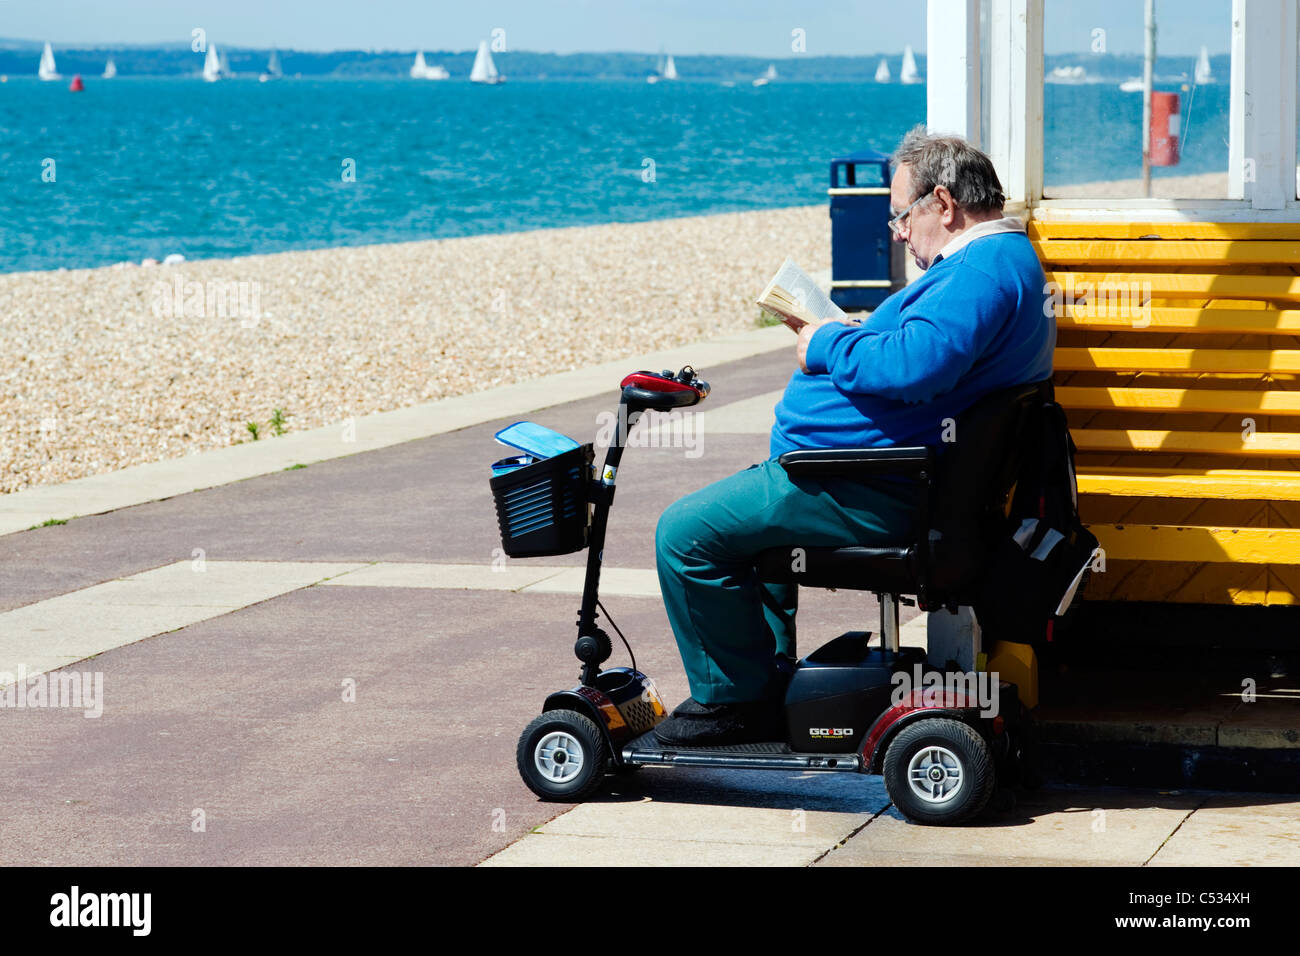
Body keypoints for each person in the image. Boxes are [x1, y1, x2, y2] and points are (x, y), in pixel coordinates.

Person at [652, 125, 1056, 746]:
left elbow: (916, 365)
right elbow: (924, 348)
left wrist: (824, 339)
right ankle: (765, 679)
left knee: (685, 534)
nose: (897, 232)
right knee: (744, 534)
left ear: (943, 206)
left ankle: (731, 700)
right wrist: (865, 328)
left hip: (864, 486)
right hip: (878, 477)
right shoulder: (999, 260)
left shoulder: (980, 272)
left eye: (901, 216)